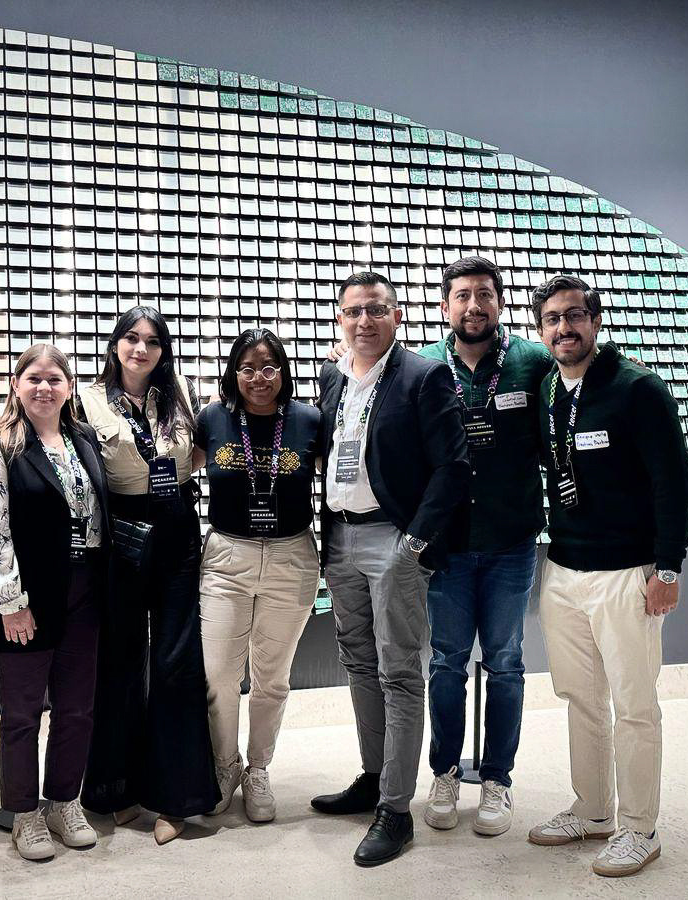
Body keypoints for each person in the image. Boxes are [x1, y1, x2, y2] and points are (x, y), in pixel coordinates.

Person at [524, 275, 688, 878]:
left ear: (595, 321)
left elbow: (673, 484)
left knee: (634, 704)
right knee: (580, 698)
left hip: (627, 573)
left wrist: (668, 567)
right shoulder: (549, 389)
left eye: (575, 315)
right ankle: (593, 809)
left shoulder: (637, 389)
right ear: (541, 330)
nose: (564, 327)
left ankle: (640, 828)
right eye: (552, 319)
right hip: (564, 568)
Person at [309, 272, 469, 867]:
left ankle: (396, 810)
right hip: (341, 539)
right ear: (340, 319)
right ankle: (374, 778)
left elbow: (453, 467)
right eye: (353, 311)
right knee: (358, 661)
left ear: (396, 316)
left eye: (375, 310)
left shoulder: (423, 376)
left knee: (398, 669)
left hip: (392, 539)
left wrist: (413, 545)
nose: (364, 321)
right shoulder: (333, 377)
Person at [415, 257, 555, 836]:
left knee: (505, 663)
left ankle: (497, 778)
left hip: (510, 543)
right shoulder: (425, 366)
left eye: (485, 295)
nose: (474, 306)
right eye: (462, 296)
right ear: (445, 305)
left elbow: (572, 409)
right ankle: (445, 772)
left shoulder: (534, 361)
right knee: (446, 663)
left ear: (500, 302)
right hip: (447, 547)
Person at [78, 306, 220, 845]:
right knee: (119, 662)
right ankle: (117, 790)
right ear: (116, 343)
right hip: (121, 536)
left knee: (175, 663)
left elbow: (198, 454)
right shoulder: (86, 399)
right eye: (132, 338)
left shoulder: (178, 393)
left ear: (164, 351)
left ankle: (176, 798)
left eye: (153, 341)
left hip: (177, 530)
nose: (141, 349)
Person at [0, 344, 110, 862]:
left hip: (84, 590)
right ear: (16, 384)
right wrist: (10, 601)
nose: (44, 387)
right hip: (28, 596)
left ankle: (64, 802)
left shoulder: (83, 439)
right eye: (34, 378)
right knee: (23, 713)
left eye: (55, 379)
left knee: (77, 709)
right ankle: (24, 812)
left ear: (69, 387)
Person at [193, 328, 324, 823]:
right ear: (234, 372)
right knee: (219, 675)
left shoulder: (309, 419)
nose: (259, 378)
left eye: (269, 367)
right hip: (228, 557)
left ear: (283, 371)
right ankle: (225, 766)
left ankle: (258, 769)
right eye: (247, 368)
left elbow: (344, 477)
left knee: (272, 678)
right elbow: (179, 469)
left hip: (291, 559)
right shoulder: (214, 417)